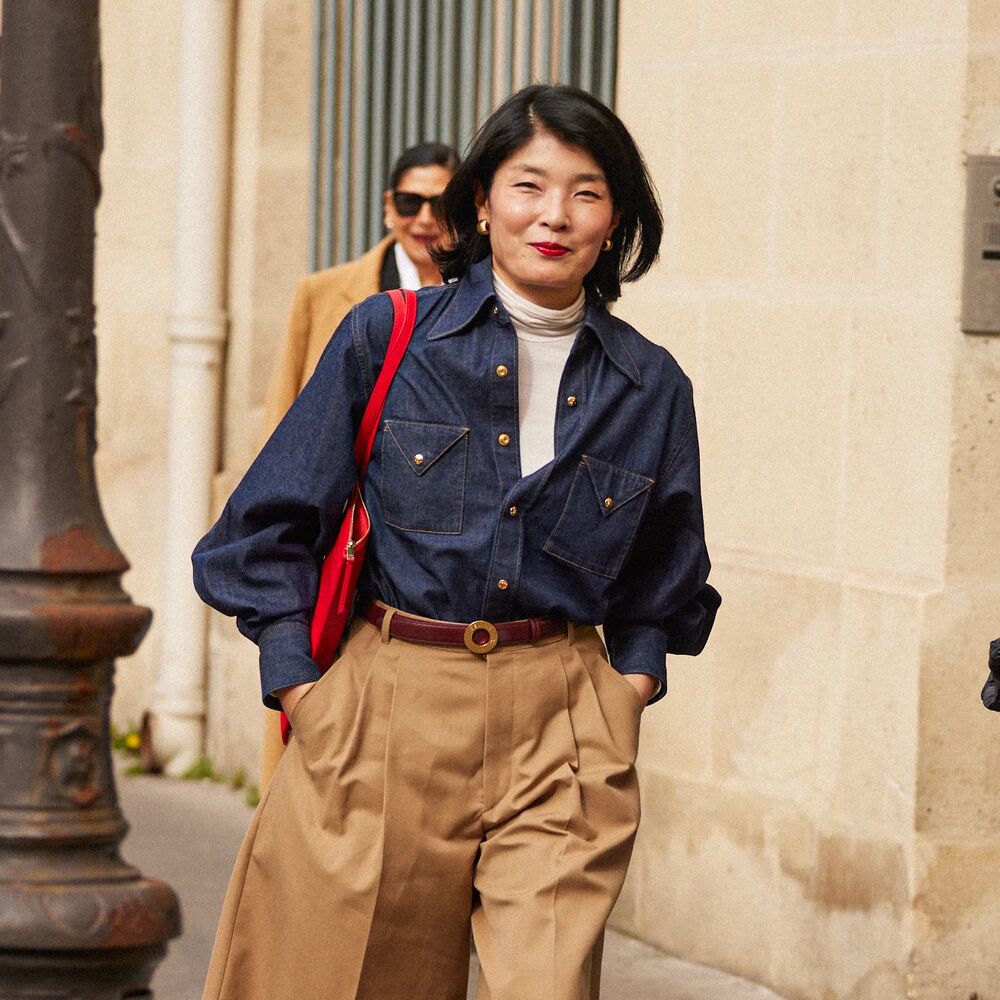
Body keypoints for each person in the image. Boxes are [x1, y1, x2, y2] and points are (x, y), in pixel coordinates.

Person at [193, 84, 720, 1000]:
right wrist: (304, 689)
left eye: (587, 192)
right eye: (528, 185)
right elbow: (264, 528)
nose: (554, 214)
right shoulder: (389, 337)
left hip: (562, 716)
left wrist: (625, 689)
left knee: (546, 985)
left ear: (617, 219)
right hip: (384, 704)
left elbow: (667, 575)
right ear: (481, 202)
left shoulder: (650, 385)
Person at [258, 141, 459, 786]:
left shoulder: (485, 301)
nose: (425, 217)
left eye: (441, 202)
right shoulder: (325, 294)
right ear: (386, 208)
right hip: (337, 541)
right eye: (410, 201)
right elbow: (283, 420)